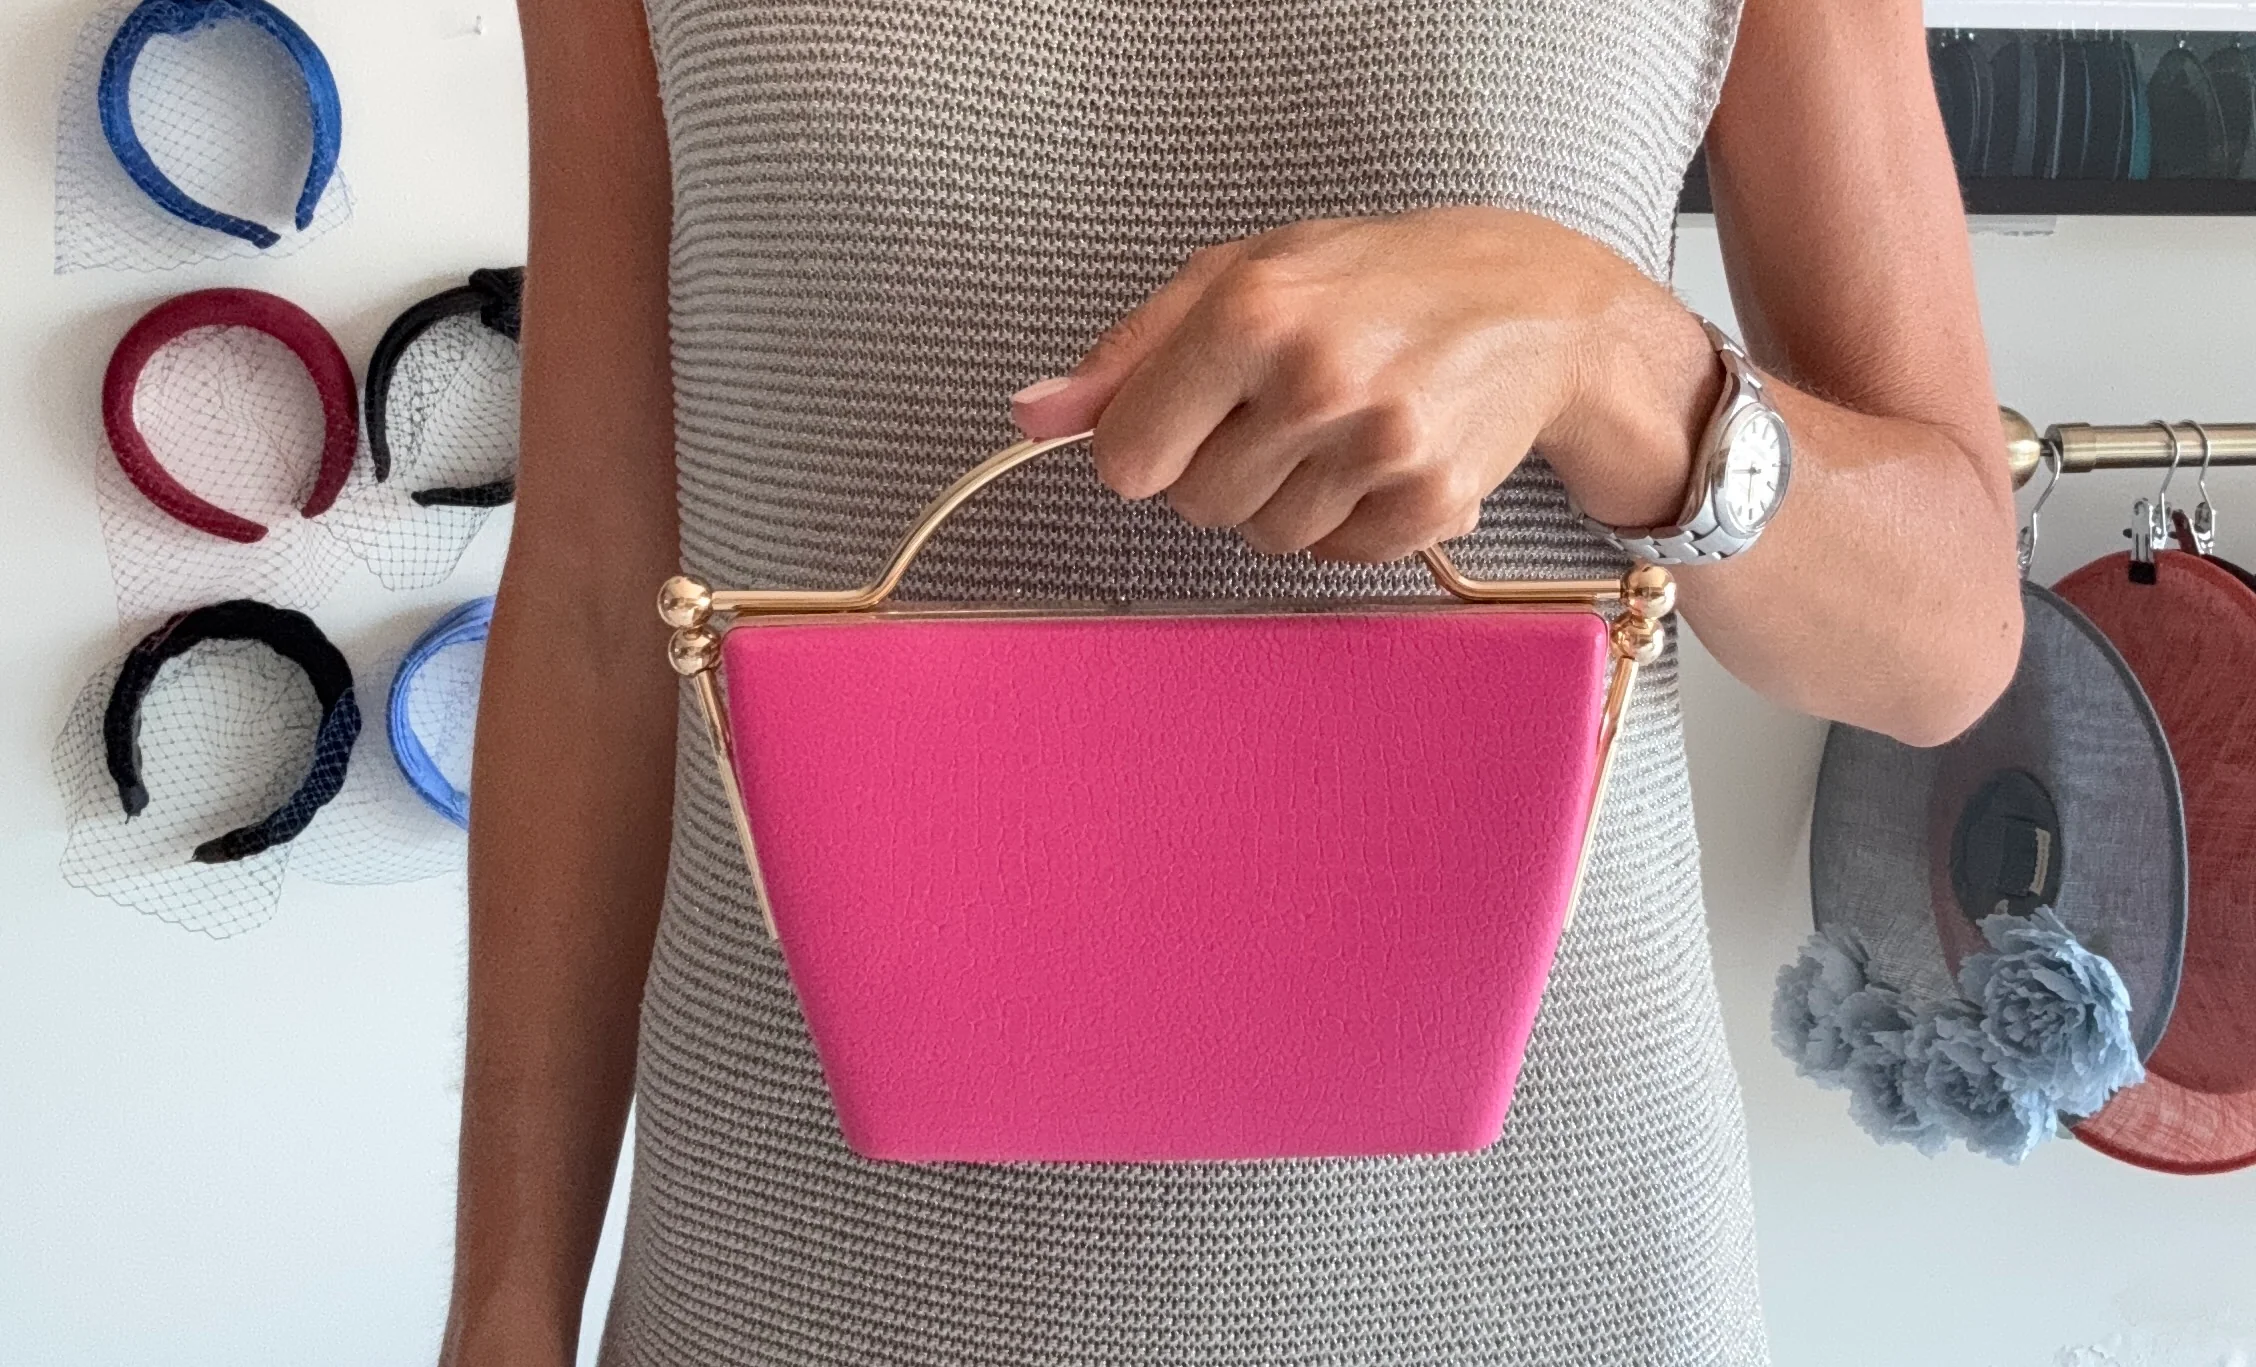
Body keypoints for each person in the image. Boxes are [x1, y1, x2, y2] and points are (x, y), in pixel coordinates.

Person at [442, 0, 2018, 1362]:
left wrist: (1613, 358)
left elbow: (1946, 633)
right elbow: (594, 611)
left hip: (1540, 1293)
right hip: (799, 1290)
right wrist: (505, 1311)